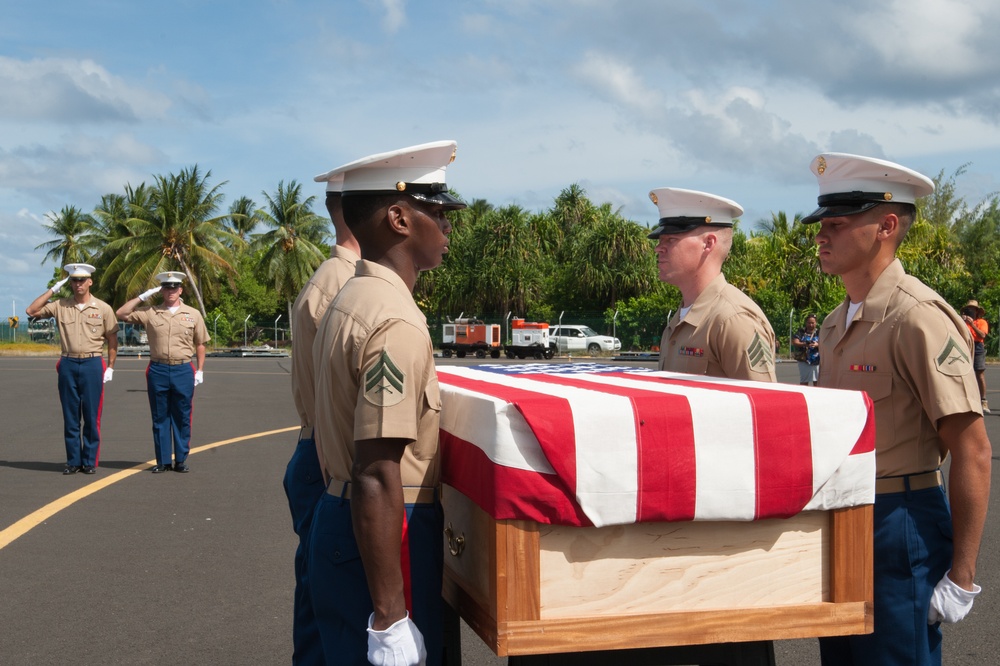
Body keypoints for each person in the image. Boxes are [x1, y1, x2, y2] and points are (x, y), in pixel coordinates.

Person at [802, 152, 992, 666]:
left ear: (887, 225)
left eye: (837, 224)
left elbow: (972, 451)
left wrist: (962, 576)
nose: (822, 235)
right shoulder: (836, 322)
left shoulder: (917, 318)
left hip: (900, 521)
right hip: (843, 516)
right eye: (821, 224)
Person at [307, 140, 465, 666]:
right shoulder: (393, 320)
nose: (447, 228)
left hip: (342, 517)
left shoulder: (351, 297)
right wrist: (391, 616)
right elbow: (376, 470)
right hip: (383, 533)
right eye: (438, 213)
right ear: (399, 218)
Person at [282, 171, 360, 665]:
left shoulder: (331, 276)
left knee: (319, 602)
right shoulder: (345, 283)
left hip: (315, 450)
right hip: (332, 457)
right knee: (338, 614)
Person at [649, 187, 776, 381]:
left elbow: (766, 405)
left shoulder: (733, 320)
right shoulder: (682, 320)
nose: (659, 248)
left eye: (671, 239)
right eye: (660, 240)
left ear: (708, 244)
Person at [26, 263, 118, 475]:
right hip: (68, 363)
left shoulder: (103, 308)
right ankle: (73, 461)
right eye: (74, 280)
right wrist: (53, 289)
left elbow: (112, 340)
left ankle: (89, 461)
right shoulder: (60, 305)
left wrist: (111, 366)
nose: (78, 284)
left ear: (90, 281)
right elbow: (31, 310)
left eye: (82, 280)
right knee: (70, 416)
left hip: (93, 363)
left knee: (92, 415)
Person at [116, 271, 210, 473]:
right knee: (160, 417)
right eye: (166, 287)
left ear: (180, 290)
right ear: (161, 290)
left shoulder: (193, 314)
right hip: (158, 368)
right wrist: (143, 296)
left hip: (183, 368)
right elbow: (121, 313)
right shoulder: (150, 312)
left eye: (174, 287)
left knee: (182, 416)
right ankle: (163, 461)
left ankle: (181, 459)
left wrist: (200, 370)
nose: (171, 291)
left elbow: (200, 343)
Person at [960, 299, 989, 413]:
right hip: (965, 345)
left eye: (973, 309)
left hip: (977, 346)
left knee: (979, 373)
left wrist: (972, 324)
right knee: (965, 373)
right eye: (969, 309)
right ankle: (968, 400)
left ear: (977, 311)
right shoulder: (963, 322)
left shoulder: (981, 322)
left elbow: (982, 335)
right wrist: (961, 321)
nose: (971, 311)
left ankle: (983, 400)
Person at [791, 313, 821, 386]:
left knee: (817, 381)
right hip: (804, 360)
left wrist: (817, 345)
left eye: (812, 323)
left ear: (816, 323)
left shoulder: (819, 332)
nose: (811, 325)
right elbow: (795, 341)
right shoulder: (801, 332)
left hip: (817, 361)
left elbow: (826, 343)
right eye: (809, 323)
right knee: (804, 380)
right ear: (806, 323)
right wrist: (805, 344)